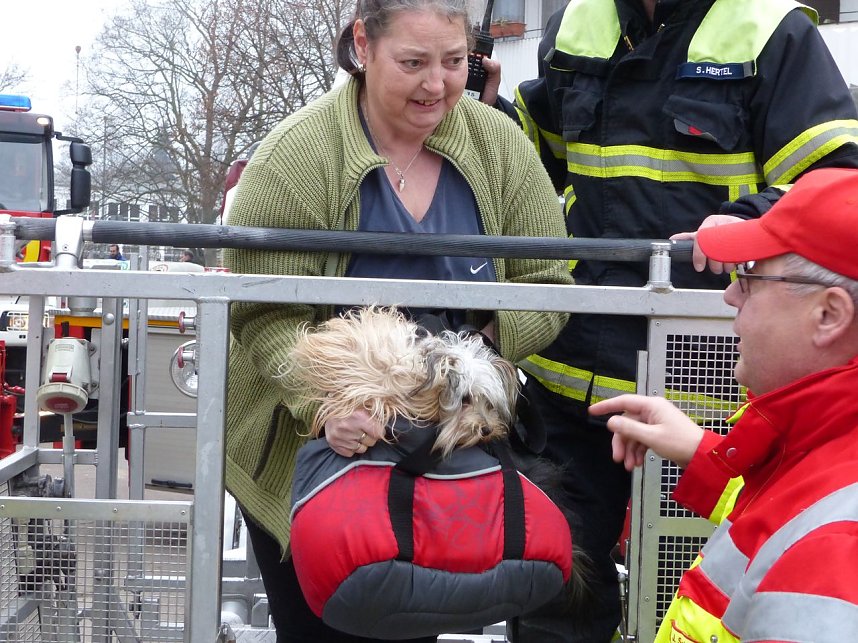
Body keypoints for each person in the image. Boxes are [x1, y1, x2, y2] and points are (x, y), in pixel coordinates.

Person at [477, 2, 858, 640]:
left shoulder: (770, 29)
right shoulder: (578, 21)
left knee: (692, 601)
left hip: (711, 394)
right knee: (551, 601)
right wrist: (488, 120)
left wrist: (753, 217)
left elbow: (838, 180)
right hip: (570, 390)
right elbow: (537, 168)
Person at [221, 0, 572, 639]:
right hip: (314, 450)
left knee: (412, 621)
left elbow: (549, 283)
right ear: (363, 44)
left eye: (454, 62)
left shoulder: (500, 147)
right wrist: (329, 402)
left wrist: (473, 362)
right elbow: (263, 315)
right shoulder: (295, 158)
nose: (436, 85)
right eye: (413, 62)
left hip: (444, 450)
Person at [589, 167, 858, 642]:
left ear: (829, 314)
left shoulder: (836, 547)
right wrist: (702, 452)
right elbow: (786, 512)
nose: (731, 295)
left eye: (751, 277)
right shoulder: (816, 455)